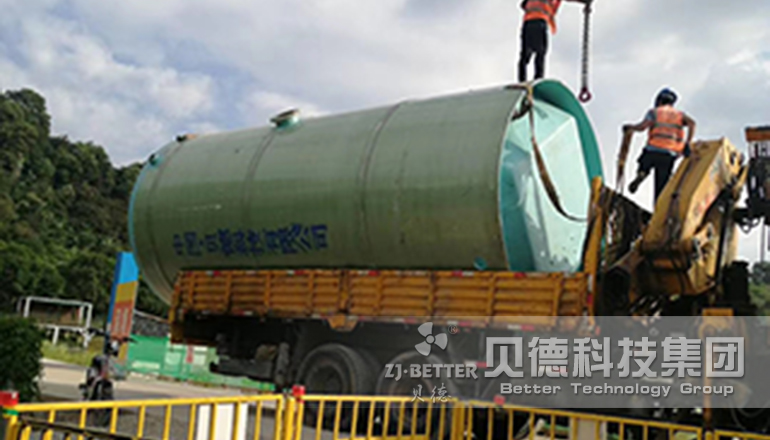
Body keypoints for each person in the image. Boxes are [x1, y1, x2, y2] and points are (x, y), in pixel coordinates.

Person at [623, 88, 696, 204]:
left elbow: (642, 127)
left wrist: (631, 127)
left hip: (652, 150)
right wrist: (688, 143)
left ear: (659, 100)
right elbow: (692, 123)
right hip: (669, 154)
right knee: (661, 187)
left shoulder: (654, 112)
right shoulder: (679, 115)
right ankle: (658, 206)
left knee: (644, 162)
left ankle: (642, 172)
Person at [518, 0, 590, 83]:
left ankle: (522, 79)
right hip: (539, 23)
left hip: (527, 24)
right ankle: (537, 79)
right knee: (540, 53)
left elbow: (523, 5)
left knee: (525, 55)